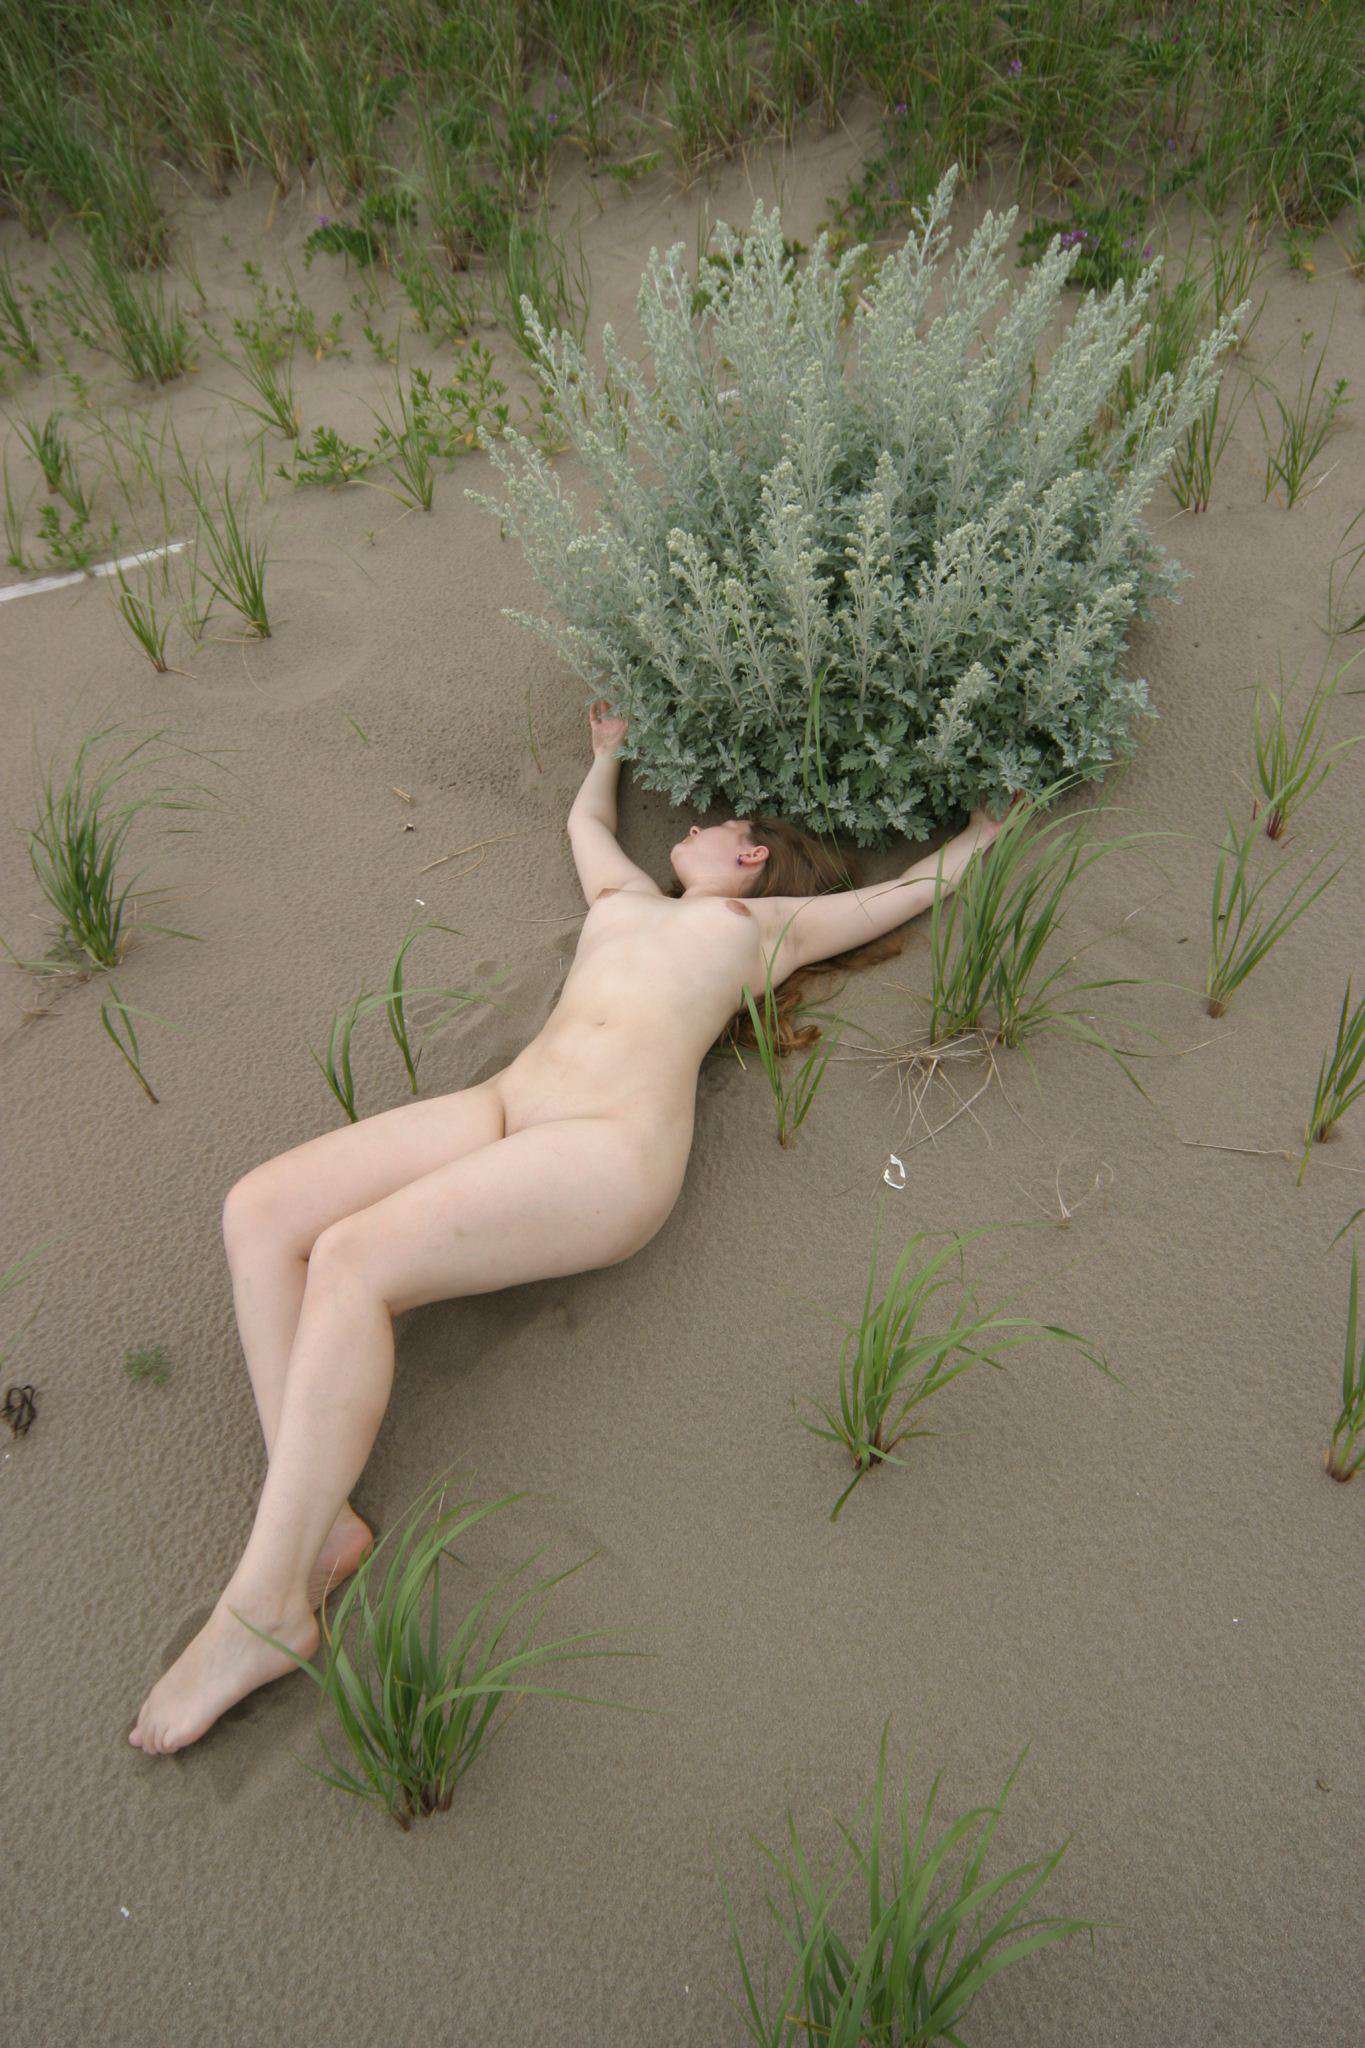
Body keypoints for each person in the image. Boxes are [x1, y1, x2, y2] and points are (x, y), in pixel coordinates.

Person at [128, 700, 1009, 1754]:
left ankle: (266, 1607)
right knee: (261, 1210)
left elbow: (903, 892)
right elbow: (586, 828)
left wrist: (983, 833)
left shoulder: (759, 929)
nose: (688, 827)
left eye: (714, 824)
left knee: (354, 1259)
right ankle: (317, 1525)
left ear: (750, 854)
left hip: (607, 1144)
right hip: (505, 1104)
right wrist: (606, 757)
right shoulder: (624, 901)